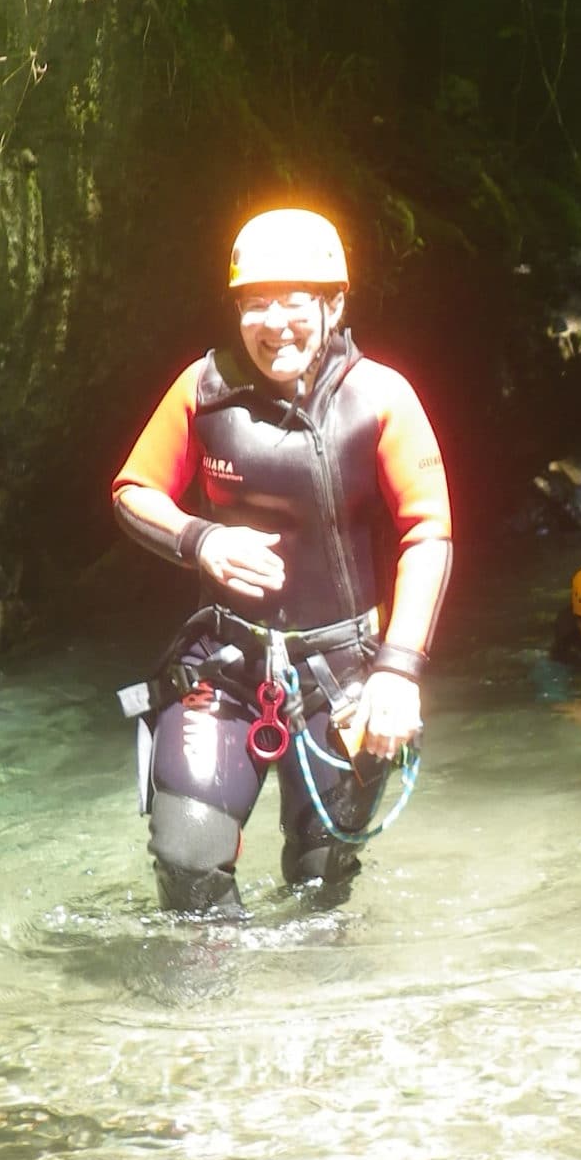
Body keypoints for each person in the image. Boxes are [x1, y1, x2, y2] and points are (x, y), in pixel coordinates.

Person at [112, 207, 452, 914]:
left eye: (294, 302)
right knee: (188, 860)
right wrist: (201, 539)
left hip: (343, 674)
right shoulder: (203, 389)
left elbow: (428, 533)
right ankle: (213, 985)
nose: (275, 325)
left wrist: (398, 671)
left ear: (334, 304)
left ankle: (308, 990)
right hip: (225, 665)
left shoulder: (381, 398)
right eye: (254, 304)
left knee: (321, 879)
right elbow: (133, 491)